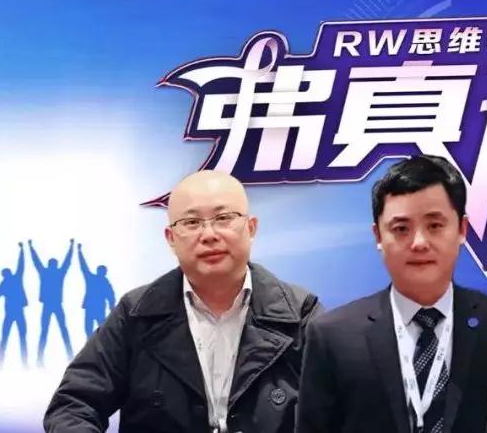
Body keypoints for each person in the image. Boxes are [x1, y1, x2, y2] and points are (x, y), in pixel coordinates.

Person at [44, 170, 323, 433]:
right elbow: (72, 406)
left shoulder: (300, 314)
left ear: (251, 228)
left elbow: (340, 408)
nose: (209, 235)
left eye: (223, 218)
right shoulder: (136, 314)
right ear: (171, 238)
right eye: (191, 223)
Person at [297, 155, 487, 433]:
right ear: (378, 236)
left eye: (435, 225)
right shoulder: (332, 336)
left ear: (462, 229)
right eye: (401, 229)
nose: (419, 243)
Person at [30, 238, 75, 365]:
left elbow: (36, 261)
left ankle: (42, 358)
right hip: (52, 304)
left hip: (52, 304)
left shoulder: (46, 272)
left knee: (49, 330)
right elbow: (67, 261)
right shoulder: (56, 273)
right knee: (58, 330)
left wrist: (31, 247)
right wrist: (71, 247)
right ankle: (43, 358)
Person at [0, 242, 29, 368]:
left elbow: (21, 265)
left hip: (13, 312)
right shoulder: (14, 279)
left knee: (10, 337)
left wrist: (22, 251)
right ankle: (2, 362)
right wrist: (22, 250)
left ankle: (2, 362)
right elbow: (21, 265)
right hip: (14, 312)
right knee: (18, 337)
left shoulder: (7, 282)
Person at [77, 243, 116, 337]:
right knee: (89, 330)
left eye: (103, 271)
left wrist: (112, 307)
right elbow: (83, 266)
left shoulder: (105, 282)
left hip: (98, 308)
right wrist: (79, 252)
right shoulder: (92, 278)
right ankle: (92, 344)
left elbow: (111, 296)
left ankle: (100, 343)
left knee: (101, 330)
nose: (101, 272)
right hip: (92, 307)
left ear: (104, 272)